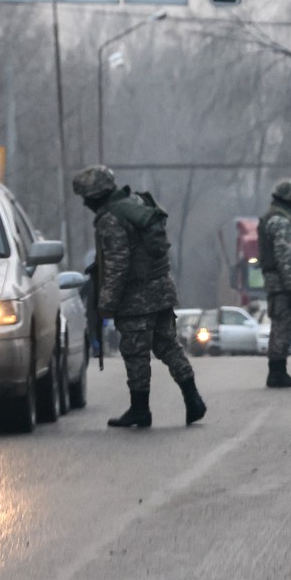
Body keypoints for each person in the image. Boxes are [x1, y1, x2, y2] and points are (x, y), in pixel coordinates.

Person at [71, 165, 205, 429]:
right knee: (168, 346)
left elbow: (118, 265)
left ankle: (140, 410)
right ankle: (193, 399)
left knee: (136, 354)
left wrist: (106, 304)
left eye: (86, 196)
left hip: (136, 299)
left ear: (96, 194)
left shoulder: (111, 218)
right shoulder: (136, 204)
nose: (85, 203)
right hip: (161, 289)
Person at [259, 178, 291, 389]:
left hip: (277, 283)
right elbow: (285, 257)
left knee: (280, 326)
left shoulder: (273, 219)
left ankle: (278, 371)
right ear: (289, 200)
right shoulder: (280, 222)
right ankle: (277, 373)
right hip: (283, 284)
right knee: (283, 326)